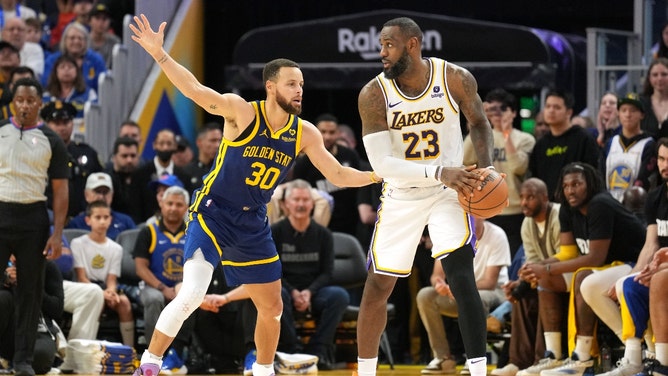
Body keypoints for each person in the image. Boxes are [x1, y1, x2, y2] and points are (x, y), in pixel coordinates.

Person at [129, 14, 377, 376]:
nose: (299, 90)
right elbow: (195, 91)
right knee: (193, 293)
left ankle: (261, 370)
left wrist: (377, 174)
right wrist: (160, 55)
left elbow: (338, 173)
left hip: (253, 221)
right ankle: (149, 364)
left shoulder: (304, 132)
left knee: (273, 306)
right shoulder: (241, 112)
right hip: (213, 212)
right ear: (270, 86)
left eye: (302, 84)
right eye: (292, 84)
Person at [356, 17, 495, 376]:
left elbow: (479, 122)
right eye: (381, 45)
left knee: (460, 275)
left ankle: (478, 370)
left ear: (412, 45)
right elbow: (382, 164)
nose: (381, 53)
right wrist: (438, 170)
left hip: (449, 190)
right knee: (377, 286)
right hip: (402, 194)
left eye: (389, 45)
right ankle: (366, 371)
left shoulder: (454, 78)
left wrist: (488, 167)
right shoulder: (373, 94)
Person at [519, 163, 645, 376]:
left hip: (634, 263)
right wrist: (537, 268)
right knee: (545, 280)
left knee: (583, 278)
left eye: (577, 184)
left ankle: (583, 357)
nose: (570, 190)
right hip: (607, 267)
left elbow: (595, 258)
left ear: (590, 185)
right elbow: (568, 253)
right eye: (566, 185)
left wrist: (548, 267)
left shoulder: (600, 204)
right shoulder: (568, 209)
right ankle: (553, 355)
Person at [0, 77, 69, 376]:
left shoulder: (52, 139)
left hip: (33, 219)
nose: (25, 105)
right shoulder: (0, 132)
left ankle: (22, 361)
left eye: (31, 100)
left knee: (30, 292)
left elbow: (61, 191)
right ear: (13, 102)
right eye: (20, 100)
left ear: (40, 103)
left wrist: (57, 234)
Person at [264, 179, 349, 370]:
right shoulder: (275, 232)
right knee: (276, 295)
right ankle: (291, 351)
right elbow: (272, 271)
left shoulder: (324, 234)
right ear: (286, 204)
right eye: (296, 200)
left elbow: (327, 273)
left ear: (312, 204)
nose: (301, 204)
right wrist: (294, 292)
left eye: (305, 200)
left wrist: (309, 292)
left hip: (314, 291)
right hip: (285, 289)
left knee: (339, 296)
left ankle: (318, 350)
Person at [417, 217, 510, 375]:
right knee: (425, 296)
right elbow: (436, 276)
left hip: (495, 293)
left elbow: (490, 281)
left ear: (484, 214)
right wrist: (439, 284)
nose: (470, 217)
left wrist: (460, 288)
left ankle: (474, 357)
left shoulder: (496, 235)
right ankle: (443, 358)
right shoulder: (451, 234)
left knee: (477, 297)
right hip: (459, 292)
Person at [491, 178, 561, 376]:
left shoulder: (558, 216)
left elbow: (565, 254)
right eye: (522, 197)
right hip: (544, 277)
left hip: (564, 277)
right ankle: (518, 362)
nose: (524, 203)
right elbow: (532, 262)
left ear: (545, 198)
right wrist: (520, 281)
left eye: (530, 197)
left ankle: (542, 359)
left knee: (540, 286)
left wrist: (533, 273)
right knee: (519, 293)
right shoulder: (527, 225)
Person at [463, 88, 536, 256]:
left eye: (503, 108)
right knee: (487, 257)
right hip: (485, 206)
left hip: (515, 209)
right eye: (492, 109)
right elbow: (466, 161)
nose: (497, 113)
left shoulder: (525, 139)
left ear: (514, 113)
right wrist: (475, 126)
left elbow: (518, 167)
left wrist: (506, 134)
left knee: (513, 258)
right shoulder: (481, 136)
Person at [133, 185, 193, 374]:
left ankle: (176, 353)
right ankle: (154, 356)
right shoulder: (148, 231)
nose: (173, 208)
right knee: (154, 299)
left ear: (186, 208)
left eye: (179, 204)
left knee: (191, 297)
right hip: (152, 287)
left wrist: (179, 289)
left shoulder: (193, 233)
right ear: (162, 205)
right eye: (170, 203)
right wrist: (162, 287)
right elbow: (140, 268)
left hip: (181, 287)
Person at [70, 200, 135, 347]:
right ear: (88, 220)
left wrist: (111, 292)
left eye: (106, 217)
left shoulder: (116, 248)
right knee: (96, 300)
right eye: (98, 217)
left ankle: (130, 350)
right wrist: (101, 294)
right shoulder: (77, 243)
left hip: (105, 287)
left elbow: (112, 279)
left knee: (123, 302)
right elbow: (81, 277)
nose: (102, 221)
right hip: (85, 288)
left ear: (110, 220)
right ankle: (87, 349)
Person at [293, 113, 362, 236]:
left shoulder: (350, 155)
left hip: (350, 224)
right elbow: (297, 192)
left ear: (338, 133)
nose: (327, 136)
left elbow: (360, 189)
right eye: (323, 132)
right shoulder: (303, 162)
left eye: (332, 132)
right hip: (318, 224)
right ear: (315, 132)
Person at [529, 90, 600, 199]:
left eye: (557, 107)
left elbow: (593, 176)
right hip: (548, 207)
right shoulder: (541, 144)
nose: (551, 111)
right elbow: (535, 177)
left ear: (569, 112)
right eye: (548, 106)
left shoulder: (583, 138)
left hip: (576, 206)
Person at [0, 257, 64, 375]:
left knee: (39, 358)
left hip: (38, 331)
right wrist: (4, 280)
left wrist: (33, 288)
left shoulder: (48, 267)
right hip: (8, 333)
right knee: (2, 298)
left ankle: (12, 362)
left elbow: (57, 309)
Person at [42, 99, 103, 217]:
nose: (62, 128)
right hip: (48, 217)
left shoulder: (87, 152)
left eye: (66, 122)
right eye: (57, 123)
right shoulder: (39, 154)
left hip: (84, 218)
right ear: (47, 125)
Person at [128, 128, 193, 223]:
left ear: (175, 146)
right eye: (161, 143)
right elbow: (135, 207)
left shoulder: (184, 176)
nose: (165, 148)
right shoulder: (140, 174)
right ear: (154, 145)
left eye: (169, 143)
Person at [601, 93, 656, 202]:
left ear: (642, 115)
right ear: (618, 114)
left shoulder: (649, 144)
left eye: (633, 110)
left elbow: (644, 180)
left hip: (636, 208)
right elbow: (600, 176)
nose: (628, 114)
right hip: (609, 206)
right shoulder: (611, 143)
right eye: (623, 110)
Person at [66, 172, 136, 240]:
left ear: (112, 195)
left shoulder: (126, 221)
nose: (101, 197)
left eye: (105, 192)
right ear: (86, 194)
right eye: (97, 191)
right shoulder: (76, 224)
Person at [42, 21, 107, 93]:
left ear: (86, 41)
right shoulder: (53, 60)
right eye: (72, 38)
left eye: (80, 38)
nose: (76, 41)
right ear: (65, 40)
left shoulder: (96, 60)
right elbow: (46, 83)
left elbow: (104, 86)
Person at [42, 54, 98, 119]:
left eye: (70, 67)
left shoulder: (89, 94)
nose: (66, 70)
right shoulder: (46, 97)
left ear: (77, 72)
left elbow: (95, 117)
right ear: (56, 72)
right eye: (62, 67)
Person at [105, 136, 141, 215]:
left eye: (133, 156)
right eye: (124, 156)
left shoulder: (144, 178)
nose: (129, 160)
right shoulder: (106, 181)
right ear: (114, 157)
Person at [182, 122, 223, 189]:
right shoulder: (187, 172)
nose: (217, 145)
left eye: (220, 141)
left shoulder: (224, 170)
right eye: (213, 140)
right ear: (199, 142)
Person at [640, 58, 668, 140]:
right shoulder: (641, 103)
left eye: (664, 74)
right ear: (649, 78)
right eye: (655, 75)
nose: (659, 78)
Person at [88, 3, 120, 68]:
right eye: (97, 18)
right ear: (89, 21)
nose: (101, 22)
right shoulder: (83, 41)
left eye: (104, 19)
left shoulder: (115, 42)